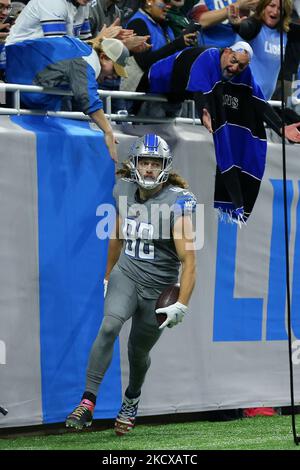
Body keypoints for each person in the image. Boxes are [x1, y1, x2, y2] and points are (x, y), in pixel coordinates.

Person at [65, 134, 197, 435]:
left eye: (155, 163)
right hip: (127, 274)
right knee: (109, 326)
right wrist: (108, 275)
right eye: (144, 162)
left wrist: (182, 303)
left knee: (138, 352)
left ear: (165, 166)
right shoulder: (124, 188)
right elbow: (117, 236)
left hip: (159, 287)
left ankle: (131, 398)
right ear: (135, 164)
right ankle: (88, 401)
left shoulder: (179, 201)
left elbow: (189, 261)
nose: (149, 169)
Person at [146, 42, 300, 223]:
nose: (234, 68)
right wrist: (204, 109)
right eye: (233, 60)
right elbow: (200, 87)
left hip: (177, 99)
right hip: (152, 88)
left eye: (241, 65)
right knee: (146, 150)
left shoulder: (243, 73)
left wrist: (281, 127)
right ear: (226, 51)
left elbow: (258, 101)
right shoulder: (207, 58)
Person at [6, 36, 130, 161]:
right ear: (103, 57)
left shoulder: (81, 48)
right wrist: (108, 131)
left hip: (17, 74)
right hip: (14, 79)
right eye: (114, 70)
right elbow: (87, 98)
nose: (114, 77)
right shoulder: (84, 62)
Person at [228, 0, 298, 100]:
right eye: (272, 6)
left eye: (280, 9)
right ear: (263, 7)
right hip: (242, 96)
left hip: (263, 100)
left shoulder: (285, 32)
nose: (275, 11)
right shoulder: (254, 24)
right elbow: (245, 28)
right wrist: (237, 25)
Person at [6, 0, 93, 45]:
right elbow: (58, 44)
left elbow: (84, 39)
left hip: (47, 54)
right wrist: (95, 42)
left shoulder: (84, 4)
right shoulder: (52, 2)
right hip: (20, 54)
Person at [190, 0, 259, 47]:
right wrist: (237, 5)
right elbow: (200, 21)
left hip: (235, 53)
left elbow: (254, 29)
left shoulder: (247, 2)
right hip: (208, 51)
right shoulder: (205, 1)